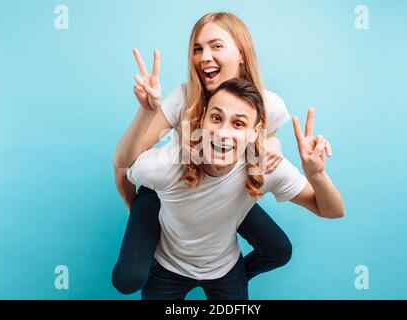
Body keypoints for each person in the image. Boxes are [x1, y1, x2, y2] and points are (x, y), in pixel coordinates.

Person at [113, 12, 297, 295]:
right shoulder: (183, 97)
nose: (203, 56)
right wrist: (134, 208)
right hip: (174, 189)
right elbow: (129, 159)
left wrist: (274, 145)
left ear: (242, 54)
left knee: (279, 249)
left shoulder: (268, 103)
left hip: (226, 192)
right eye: (197, 49)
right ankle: (171, 268)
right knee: (128, 278)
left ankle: (228, 278)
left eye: (216, 46)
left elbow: (265, 144)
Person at [124, 78, 345, 300]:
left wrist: (316, 175)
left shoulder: (265, 166)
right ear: (202, 120)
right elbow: (125, 168)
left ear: (255, 132)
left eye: (238, 124)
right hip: (167, 269)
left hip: (225, 271)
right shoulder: (164, 165)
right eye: (216, 118)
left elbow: (332, 210)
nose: (222, 133)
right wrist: (137, 213)